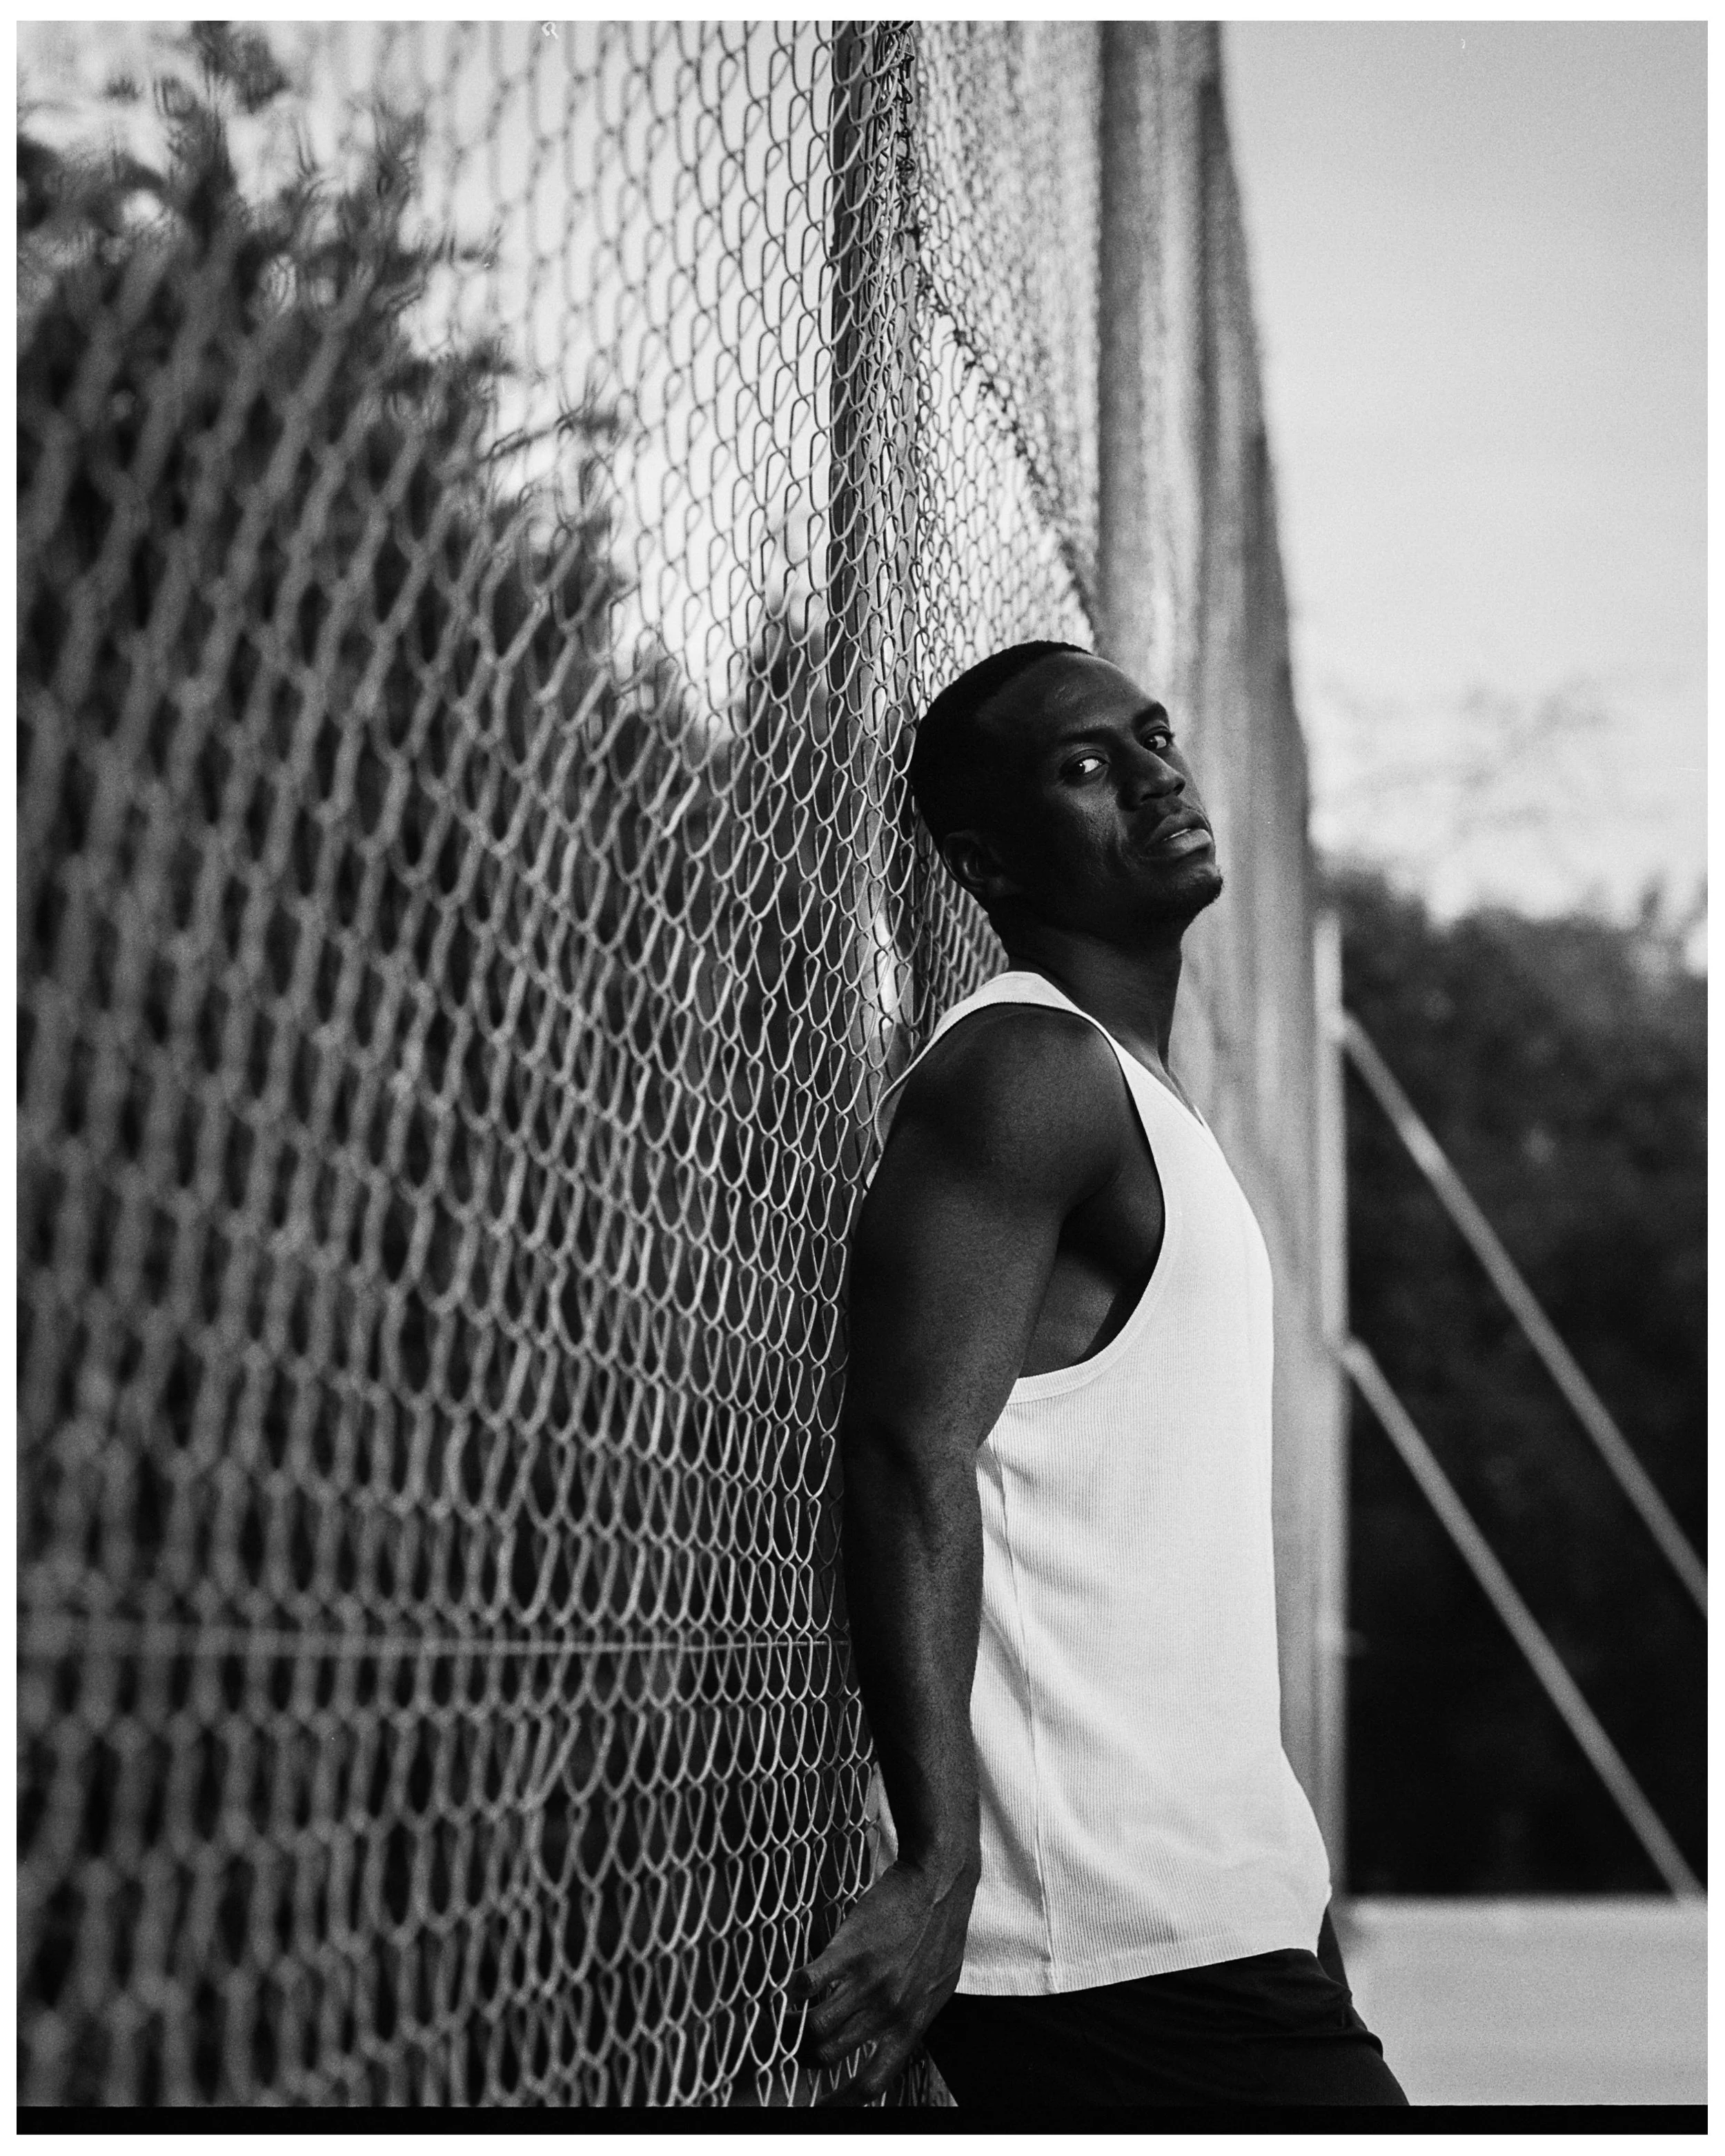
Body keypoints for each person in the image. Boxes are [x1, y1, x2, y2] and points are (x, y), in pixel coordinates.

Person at [786, 642, 1408, 2111]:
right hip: (1103, 1943)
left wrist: (1281, 1878)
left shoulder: (1137, 1093)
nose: (1153, 775)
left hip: (1217, 1911)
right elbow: (898, 1449)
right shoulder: (1024, 1071)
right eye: (1084, 764)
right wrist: (940, 1858)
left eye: (1152, 735)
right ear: (983, 855)